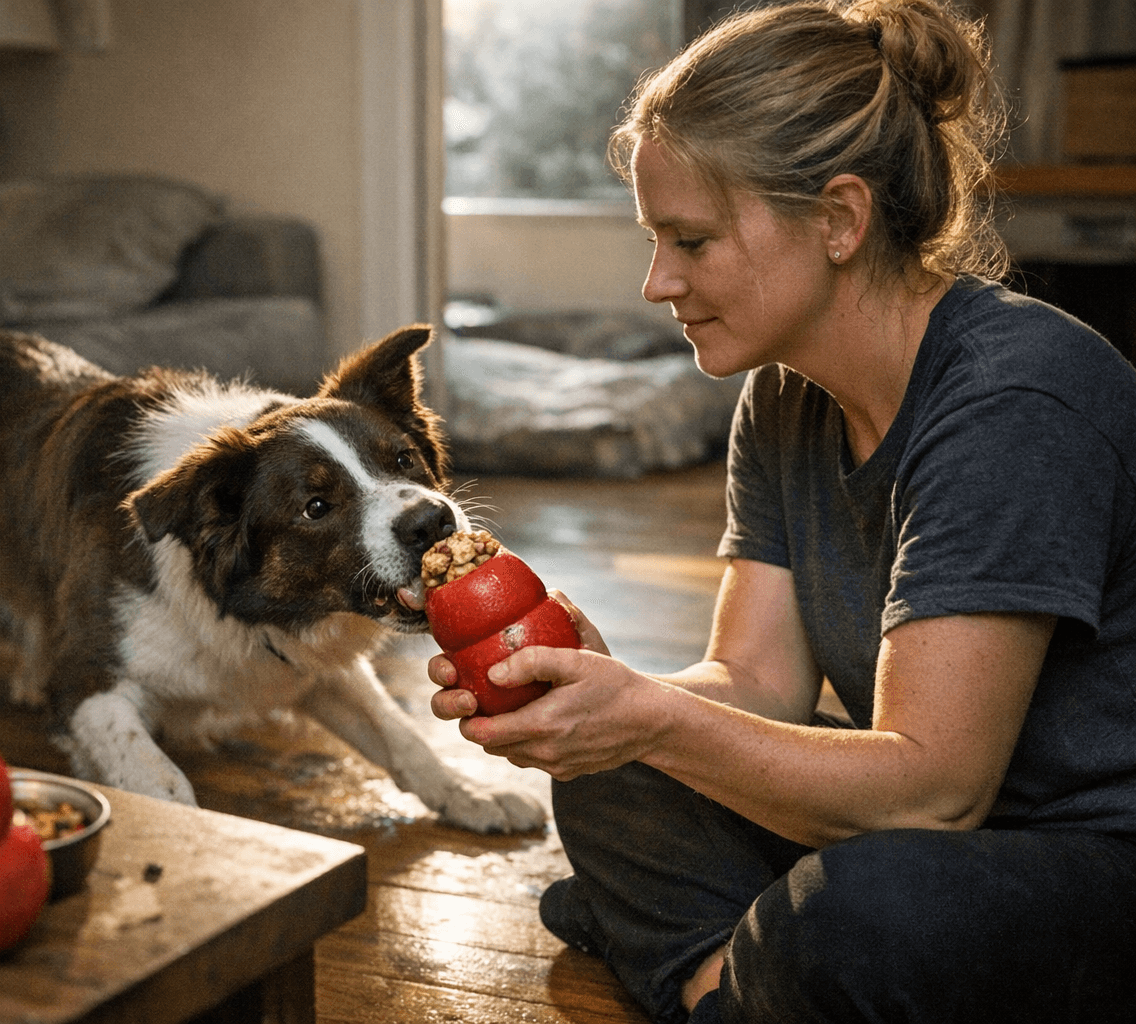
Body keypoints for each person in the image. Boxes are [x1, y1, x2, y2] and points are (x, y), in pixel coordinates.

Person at [427, 1, 1136, 1022]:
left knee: (867, 908)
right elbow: (754, 678)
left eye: (693, 241)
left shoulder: (1014, 400)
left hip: (1087, 855)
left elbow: (937, 792)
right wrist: (611, 693)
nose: (655, 282)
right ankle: (751, 977)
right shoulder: (785, 392)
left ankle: (724, 968)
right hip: (931, 832)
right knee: (610, 775)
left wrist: (654, 719)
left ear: (840, 220)